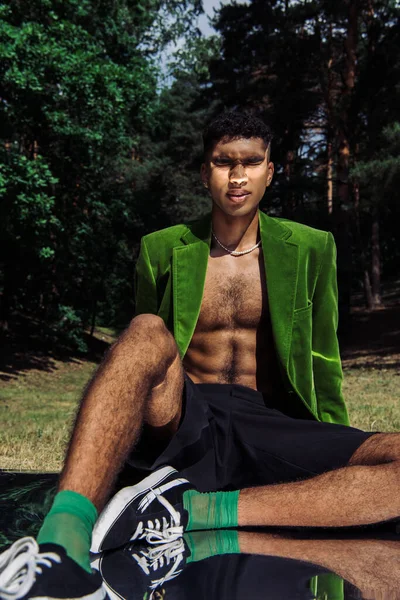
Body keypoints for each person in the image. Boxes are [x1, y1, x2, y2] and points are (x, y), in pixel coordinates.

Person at [1, 112, 399, 600]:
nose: (237, 176)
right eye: (223, 162)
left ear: (270, 171)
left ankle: (195, 511)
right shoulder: (163, 248)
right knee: (146, 329)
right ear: (204, 170)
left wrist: (337, 447)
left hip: (267, 420)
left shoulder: (313, 248)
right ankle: (62, 546)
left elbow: (322, 360)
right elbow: (144, 365)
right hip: (187, 415)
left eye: (251, 162)